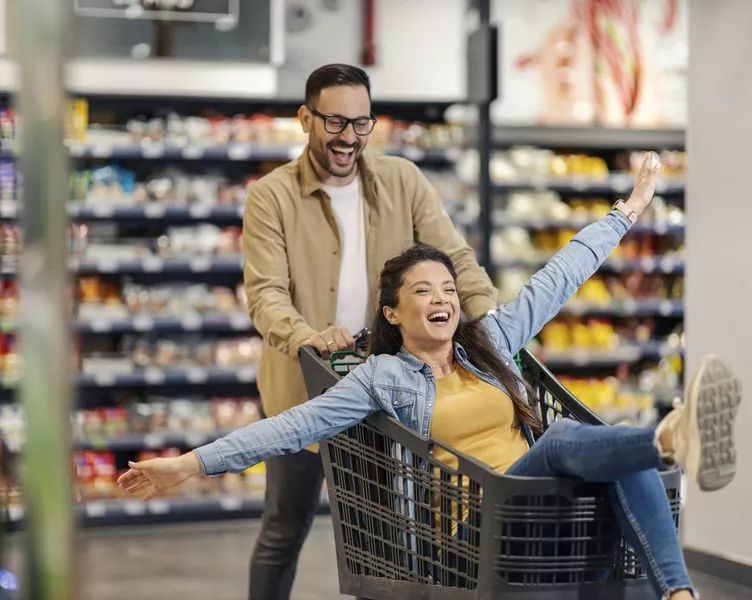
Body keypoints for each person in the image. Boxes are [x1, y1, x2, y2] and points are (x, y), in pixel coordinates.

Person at [119, 151, 741, 600]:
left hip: (538, 510)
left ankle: (678, 594)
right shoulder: (382, 378)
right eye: (423, 290)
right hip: (474, 530)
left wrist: (628, 210)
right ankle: (667, 440)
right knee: (567, 442)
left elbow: (560, 277)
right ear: (392, 311)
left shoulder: (490, 341)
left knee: (612, 449)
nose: (442, 298)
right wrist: (186, 464)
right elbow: (288, 427)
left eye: (448, 287)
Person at [203, 63, 501, 599]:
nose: (348, 138)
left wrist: (489, 321)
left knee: (385, 541)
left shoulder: (402, 180)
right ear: (305, 119)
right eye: (335, 122)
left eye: (361, 123)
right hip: (301, 391)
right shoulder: (270, 196)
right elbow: (266, 292)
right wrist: (303, 336)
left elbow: (454, 257)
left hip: (389, 392)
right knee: (284, 529)